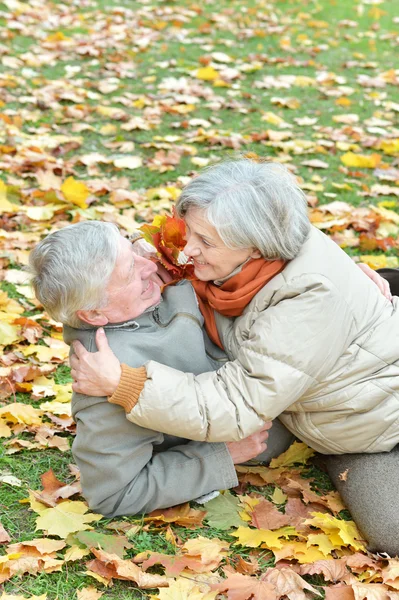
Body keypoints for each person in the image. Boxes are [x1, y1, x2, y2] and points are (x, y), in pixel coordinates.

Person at [71, 159, 399, 555]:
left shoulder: (306, 300)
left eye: (205, 242)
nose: (188, 250)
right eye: (190, 231)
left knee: (392, 531)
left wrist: (124, 384)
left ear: (255, 244)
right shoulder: (250, 244)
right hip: (304, 403)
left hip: (369, 422)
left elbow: (237, 404)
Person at [29, 220, 291, 518]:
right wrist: (221, 456)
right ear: (94, 313)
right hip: (297, 417)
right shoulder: (106, 377)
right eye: (131, 271)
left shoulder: (146, 291)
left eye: (132, 250)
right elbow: (113, 494)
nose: (149, 266)